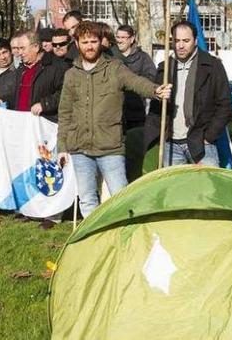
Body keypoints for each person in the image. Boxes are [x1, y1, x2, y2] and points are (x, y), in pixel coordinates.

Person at [58, 21, 171, 217]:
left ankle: (126, 236)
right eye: (85, 42)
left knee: (121, 197)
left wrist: (155, 90)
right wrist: (61, 147)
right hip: (80, 149)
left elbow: (135, 82)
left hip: (110, 147)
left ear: (101, 42)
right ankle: (94, 241)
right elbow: (65, 112)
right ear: (77, 44)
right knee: (87, 199)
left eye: (93, 41)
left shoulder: (115, 68)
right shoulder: (70, 75)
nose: (90, 46)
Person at [145, 21, 232, 167]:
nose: (180, 45)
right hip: (171, 146)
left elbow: (225, 104)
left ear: (195, 41)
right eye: (177, 40)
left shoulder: (212, 66)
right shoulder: (164, 69)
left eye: (186, 41)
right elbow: (155, 108)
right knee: (175, 189)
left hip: (202, 145)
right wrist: (160, 135)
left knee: (206, 189)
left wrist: (209, 137)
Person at [0, 31, 70, 124]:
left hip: (44, 127)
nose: (19, 53)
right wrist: (2, 100)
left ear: (36, 47)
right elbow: (16, 94)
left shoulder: (57, 67)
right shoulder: (21, 70)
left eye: (22, 48)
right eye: (18, 49)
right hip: (23, 126)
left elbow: (67, 93)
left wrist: (45, 104)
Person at [115, 24, 156, 131]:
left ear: (132, 39)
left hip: (135, 113)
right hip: (114, 113)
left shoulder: (143, 58)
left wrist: (132, 81)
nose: (119, 41)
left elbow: (151, 79)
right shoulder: (111, 56)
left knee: (134, 145)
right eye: (118, 37)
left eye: (123, 37)